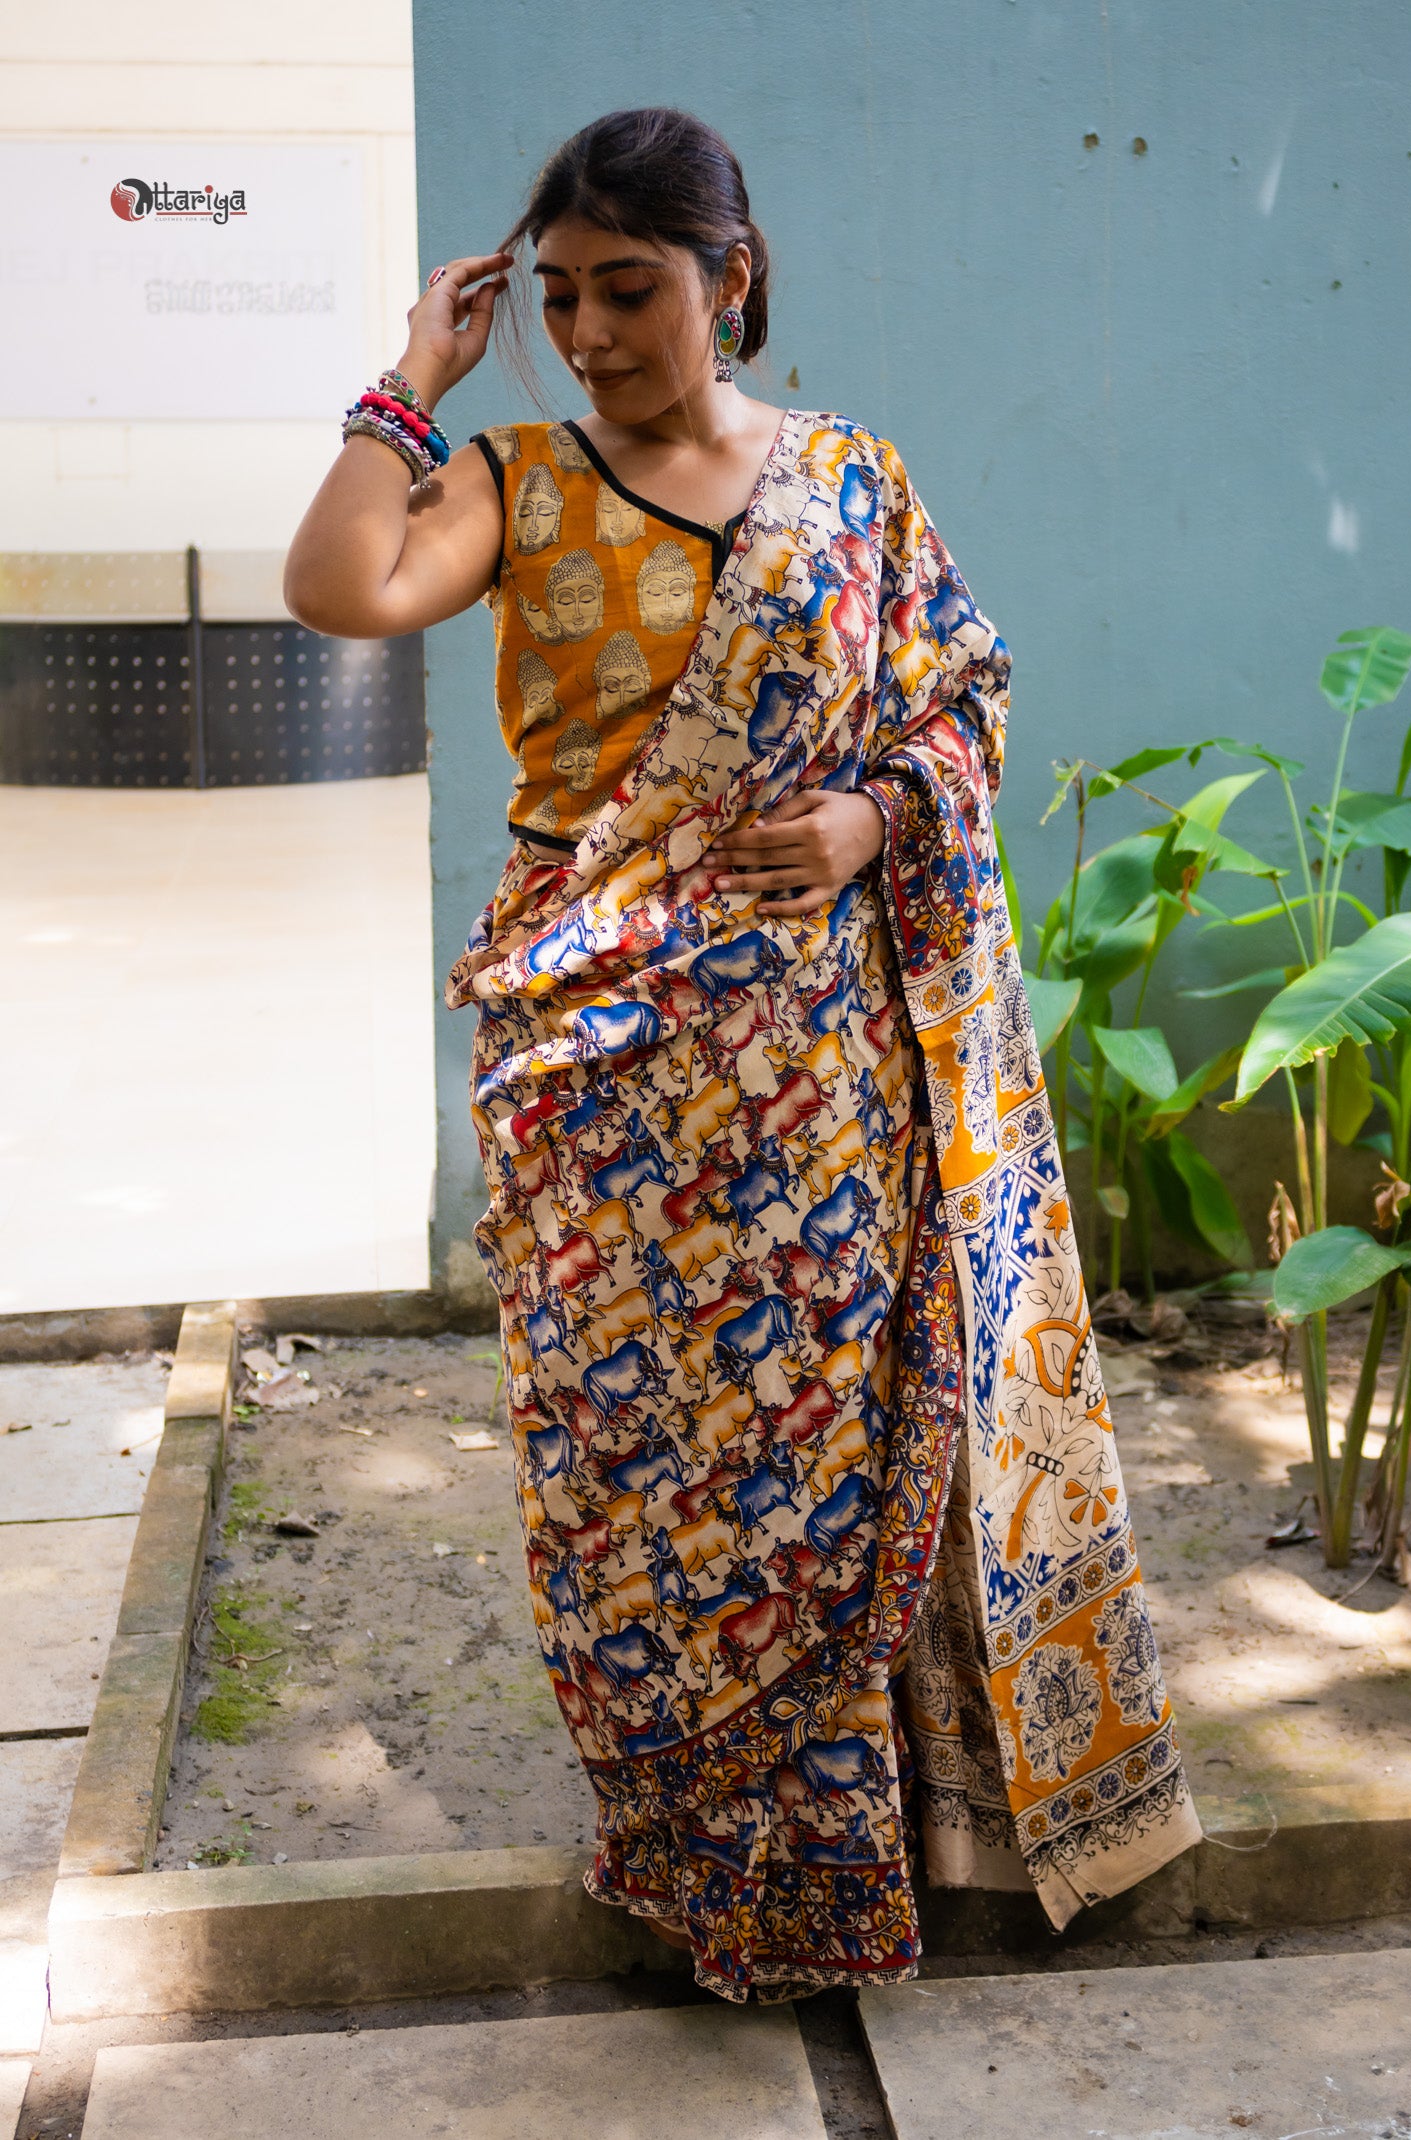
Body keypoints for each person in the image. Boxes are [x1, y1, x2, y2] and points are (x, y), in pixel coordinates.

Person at [285, 106, 1200, 2003]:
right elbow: (341, 590)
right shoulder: (514, 482)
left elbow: (966, 693)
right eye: (556, 297)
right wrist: (406, 387)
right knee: (631, 1479)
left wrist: (875, 819)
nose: (595, 333)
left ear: (733, 274)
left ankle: (824, 1883)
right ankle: (680, 1851)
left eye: (631, 288)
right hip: (598, 1082)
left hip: (822, 1087)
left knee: (809, 1463)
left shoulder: (852, 485)